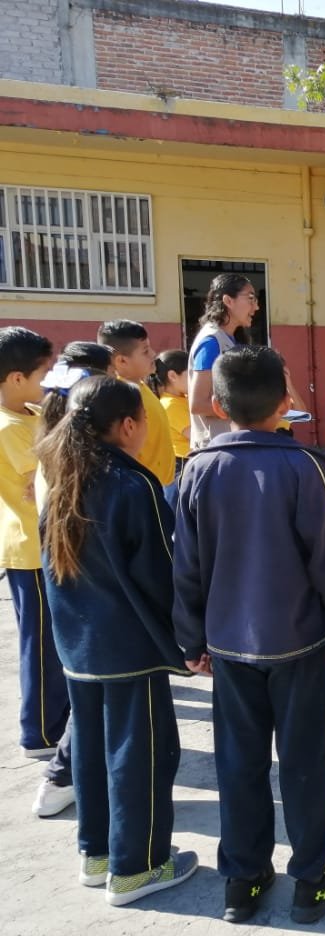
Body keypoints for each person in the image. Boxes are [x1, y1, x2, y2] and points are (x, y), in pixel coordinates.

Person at [173, 346, 325, 925]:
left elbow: (185, 567)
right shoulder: (306, 466)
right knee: (307, 763)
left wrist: (191, 642)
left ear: (217, 404)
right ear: (286, 402)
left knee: (239, 762)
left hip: (229, 645)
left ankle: (244, 881)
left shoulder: (199, 468)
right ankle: (313, 880)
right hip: (299, 642)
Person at [36, 376, 198, 903]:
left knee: (88, 749)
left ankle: (98, 852)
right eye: (144, 419)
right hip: (129, 649)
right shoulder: (134, 488)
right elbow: (161, 573)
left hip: (78, 648)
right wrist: (189, 642)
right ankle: (138, 865)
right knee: (142, 754)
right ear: (128, 426)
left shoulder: (63, 480)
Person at [27, 342, 114, 820]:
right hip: (93, 604)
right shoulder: (87, 469)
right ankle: (62, 776)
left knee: (90, 695)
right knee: (96, 700)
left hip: (74, 598)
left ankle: (67, 776)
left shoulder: (55, 444)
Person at [0, 328, 68, 761]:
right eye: (44, 374)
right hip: (29, 549)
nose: (49, 383)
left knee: (50, 641)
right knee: (41, 645)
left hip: (37, 545)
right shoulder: (11, 428)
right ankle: (40, 733)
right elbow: (43, 480)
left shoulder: (27, 413)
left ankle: (52, 721)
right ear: (16, 378)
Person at [97, 320, 175, 487]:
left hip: (161, 485)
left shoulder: (140, 385)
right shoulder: (119, 397)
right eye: (145, 351)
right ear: (121, 361)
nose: (154, 353)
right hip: (143, 487)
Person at [189, 273, 257, 450]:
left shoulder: (230, 339)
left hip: (231, 443)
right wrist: (247, 410)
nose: (256, 306)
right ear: (228, 300)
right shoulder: (211, 342)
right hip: (215, 447)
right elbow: (197, 404)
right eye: (250, 298)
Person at [149, 349, 190, 486]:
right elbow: (195, 435)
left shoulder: (181, 399)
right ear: (172, 376)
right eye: (190, 374)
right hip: (183, 465)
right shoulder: (170, 405)